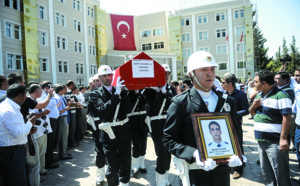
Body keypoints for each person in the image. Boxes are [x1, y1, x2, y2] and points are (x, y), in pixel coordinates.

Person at [163, 51, 242, 186]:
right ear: (191, 74)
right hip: (195, 173)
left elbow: (236, 132)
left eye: (212, 69)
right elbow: (168, 139)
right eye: (204, 69)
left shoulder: (227, 101)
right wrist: (194, 153)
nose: (210, 73)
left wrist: (238, 153)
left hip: (222, 174)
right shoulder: (180, 103)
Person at [90, 65, 132, 186]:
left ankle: (124, 183)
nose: (108, 78)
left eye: (110, 75)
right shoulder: (96, 94)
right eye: (104, 75)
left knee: (125, 161)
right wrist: (117, 94)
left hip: (124, 130)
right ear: (99, 77)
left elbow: (129, 109)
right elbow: (104, 109)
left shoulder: (119, 89)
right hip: (109, 133)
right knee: (112, 166)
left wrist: (124, 93)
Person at [249, 69, 292, 186]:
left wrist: (283, 139)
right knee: (266, 173)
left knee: (280, 173)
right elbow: (252, 113)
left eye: (255, 81)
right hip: (261, 140)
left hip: (275, 142)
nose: (253, 84)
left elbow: (287, 118)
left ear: (264, 83)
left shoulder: (281, 96)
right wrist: (254, 105)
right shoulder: (259, 95)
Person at [144, 64, 176, 186]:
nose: (167, 75)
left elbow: (175, 103)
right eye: (164, 73)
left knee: (168, 154)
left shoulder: (171, 89)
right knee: (161, 154)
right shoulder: (149, 90)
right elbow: (153, 107)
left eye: (168, 73)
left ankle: (165, 179)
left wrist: (165, 92)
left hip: (169, 125)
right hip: (156, 125)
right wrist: (158, 92)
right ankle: (160, 182)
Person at [0, 84, 37, 186]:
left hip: (14, 150)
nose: (26, 97)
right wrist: (30, 122)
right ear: (20, 95)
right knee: (16, 181)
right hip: (12, 152)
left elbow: (14, 130)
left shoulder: (11, 107)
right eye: (25, 95)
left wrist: (28, 130)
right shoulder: (9, 110)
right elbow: (19, 133)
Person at [222, 72, 249, 179]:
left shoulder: (241, 95)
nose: (221, 84)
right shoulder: (223, 94)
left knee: (237, 145)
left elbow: (246, 110)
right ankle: (230, 164)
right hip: (224, 124)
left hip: (236, 124)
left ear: (230, 84)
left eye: (223, 82)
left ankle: (238, 169)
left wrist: (234, 115)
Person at [86, 73, 106, 186]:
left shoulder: (108, 92)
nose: (98, 82)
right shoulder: (90, 94)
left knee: (109, 150)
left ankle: (108, 171)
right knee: (99, 151)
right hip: (97, 125)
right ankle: (100, 175)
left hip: (107, 123)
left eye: (99, 80)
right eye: (96, 81)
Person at [38, 81, 60, 170]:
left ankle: (49, 160)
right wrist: (51, 95)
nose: (53, 90)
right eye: (51, 88)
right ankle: (48, 163)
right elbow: (53, 103)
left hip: (52, 121)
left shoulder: (48, 96)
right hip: (49, 122)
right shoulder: (44, 96)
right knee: (49, 143)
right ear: (47, 88)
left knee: (51, 142)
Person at [127, 89, 148, 178]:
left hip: (143, 120)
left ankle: (141, 164)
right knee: (136, 144)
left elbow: (145, 101)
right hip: (133, 120)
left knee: (143, 144)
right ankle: (134, 167)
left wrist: (138, 93)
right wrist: (133, 93)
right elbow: (128, 105)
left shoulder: (144, 91)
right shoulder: (129, 92)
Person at [54, 84, 72, 160]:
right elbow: (59, 111)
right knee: (62, 136)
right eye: (63, 90)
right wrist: (66, 108)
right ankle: (63, 154)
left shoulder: (60, 97)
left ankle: (64, 152)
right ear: (60, 91)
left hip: (64, 117)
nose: (65, 91)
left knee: (64, 136)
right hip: (61, 118)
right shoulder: (57, 98)